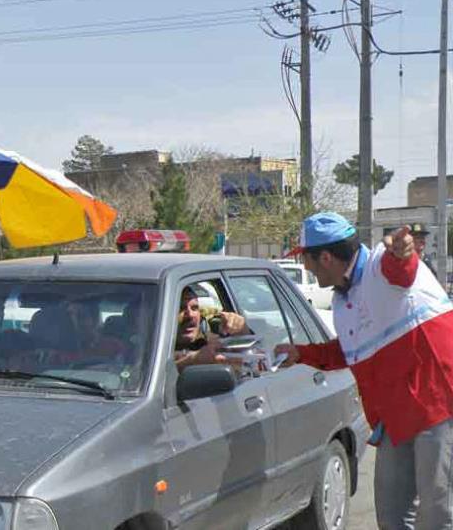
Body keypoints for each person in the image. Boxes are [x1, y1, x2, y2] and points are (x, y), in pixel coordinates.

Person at [275, 212, 453, 529]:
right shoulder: (344, 301)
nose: (305, 267)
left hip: (438, 405)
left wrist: (405, 251)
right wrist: (300, 353)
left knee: (438, 513)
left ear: (326, 257)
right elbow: (349, 351)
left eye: (307, 259)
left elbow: (403, 269)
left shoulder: (382, 263)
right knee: (392, 515)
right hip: (396, 416)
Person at [174, 285, 247, 370]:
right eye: (181, 308)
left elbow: (251, 360)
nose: (190, 315)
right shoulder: (157, 349)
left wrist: (242, 330)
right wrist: (193, 360)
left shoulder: (209, 341)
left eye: (194, 308)